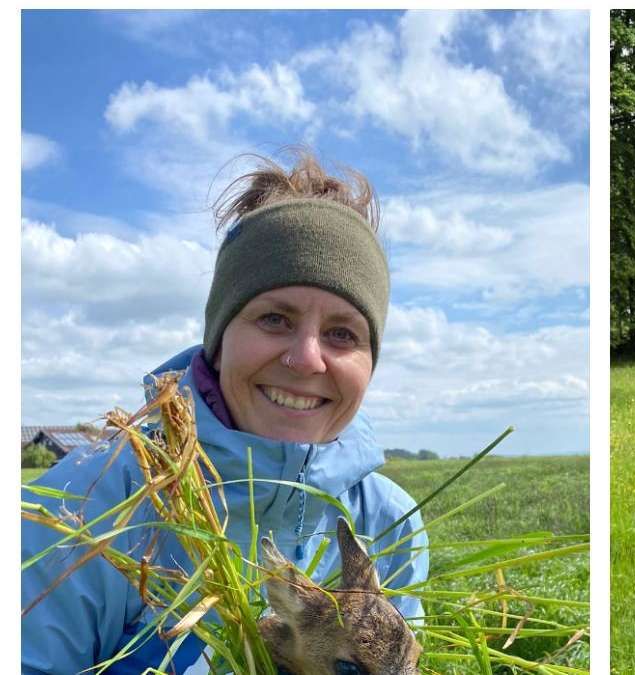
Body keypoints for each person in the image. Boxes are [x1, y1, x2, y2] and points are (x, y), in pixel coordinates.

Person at [21, 151, 429, 674]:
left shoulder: (389, 523)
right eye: (275, 318)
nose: (307, 358)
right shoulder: (81, 513)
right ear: (218, 339)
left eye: (342, 333)